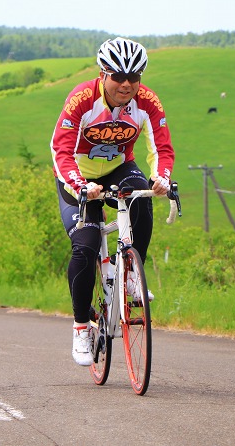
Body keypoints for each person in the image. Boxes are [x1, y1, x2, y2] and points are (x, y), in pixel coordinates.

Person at [50, 37, 175, 366]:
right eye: (119, 76)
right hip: (77, 175)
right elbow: (60, 149)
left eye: (134, 78)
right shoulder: (82, 98)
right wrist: (79, 184)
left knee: (139, 195)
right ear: (103, 73)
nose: (127, 84)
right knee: (86, 244)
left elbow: (160, 147)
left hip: (120, 168)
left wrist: (161, 177)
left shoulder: (146, 101)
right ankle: (81, 327)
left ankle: (133, 274)